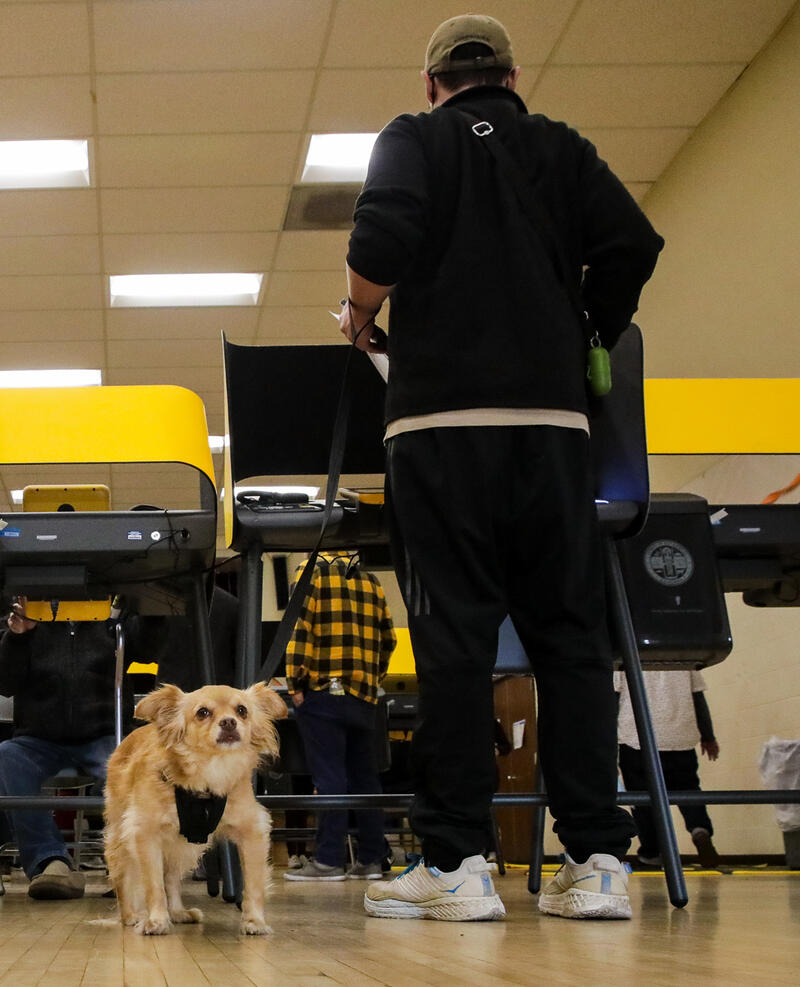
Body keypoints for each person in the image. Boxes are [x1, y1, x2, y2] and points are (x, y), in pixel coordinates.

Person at [341, 15, 662, 921]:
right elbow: (633, 243)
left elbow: (377, 244)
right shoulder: (559, 146)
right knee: (570, 640)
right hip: (557, 428)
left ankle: (458, 863)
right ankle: (598, 859)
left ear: (433, 80)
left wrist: (361, 314)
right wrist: (587, 322)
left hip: (442, 427)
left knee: (455, 645)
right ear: (513, 77)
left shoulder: (413, 136)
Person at [0, 597, 117, 900]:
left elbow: (152, 646)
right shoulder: (22, 605)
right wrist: (18, 635)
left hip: (103, 732)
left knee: (133, 761)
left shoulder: (112, 611)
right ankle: (49, 861)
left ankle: (128, 866)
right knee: (6, 756)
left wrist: (141, 608)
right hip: (39, 737)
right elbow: (1, 683)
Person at [283, 556, 395, 882]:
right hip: (363, 696)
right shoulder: (371, 580)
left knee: (329, 777)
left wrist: (295, 683)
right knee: (366, 778)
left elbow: (299, 629)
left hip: (321, 693)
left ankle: (329, 860)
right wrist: (372, 678)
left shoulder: (310, 573)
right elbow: (389, 638)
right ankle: (372, 859)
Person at [615, 669, 721, 869]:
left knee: (643, 799)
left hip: (636, 738)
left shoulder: (624, 655)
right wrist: (708, 736)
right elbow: (698, 697)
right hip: (680, 738)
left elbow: (613, 702)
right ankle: (700, 831)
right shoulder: (683, 656)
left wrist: (608, 745)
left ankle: (652, 853)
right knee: (688, 790)